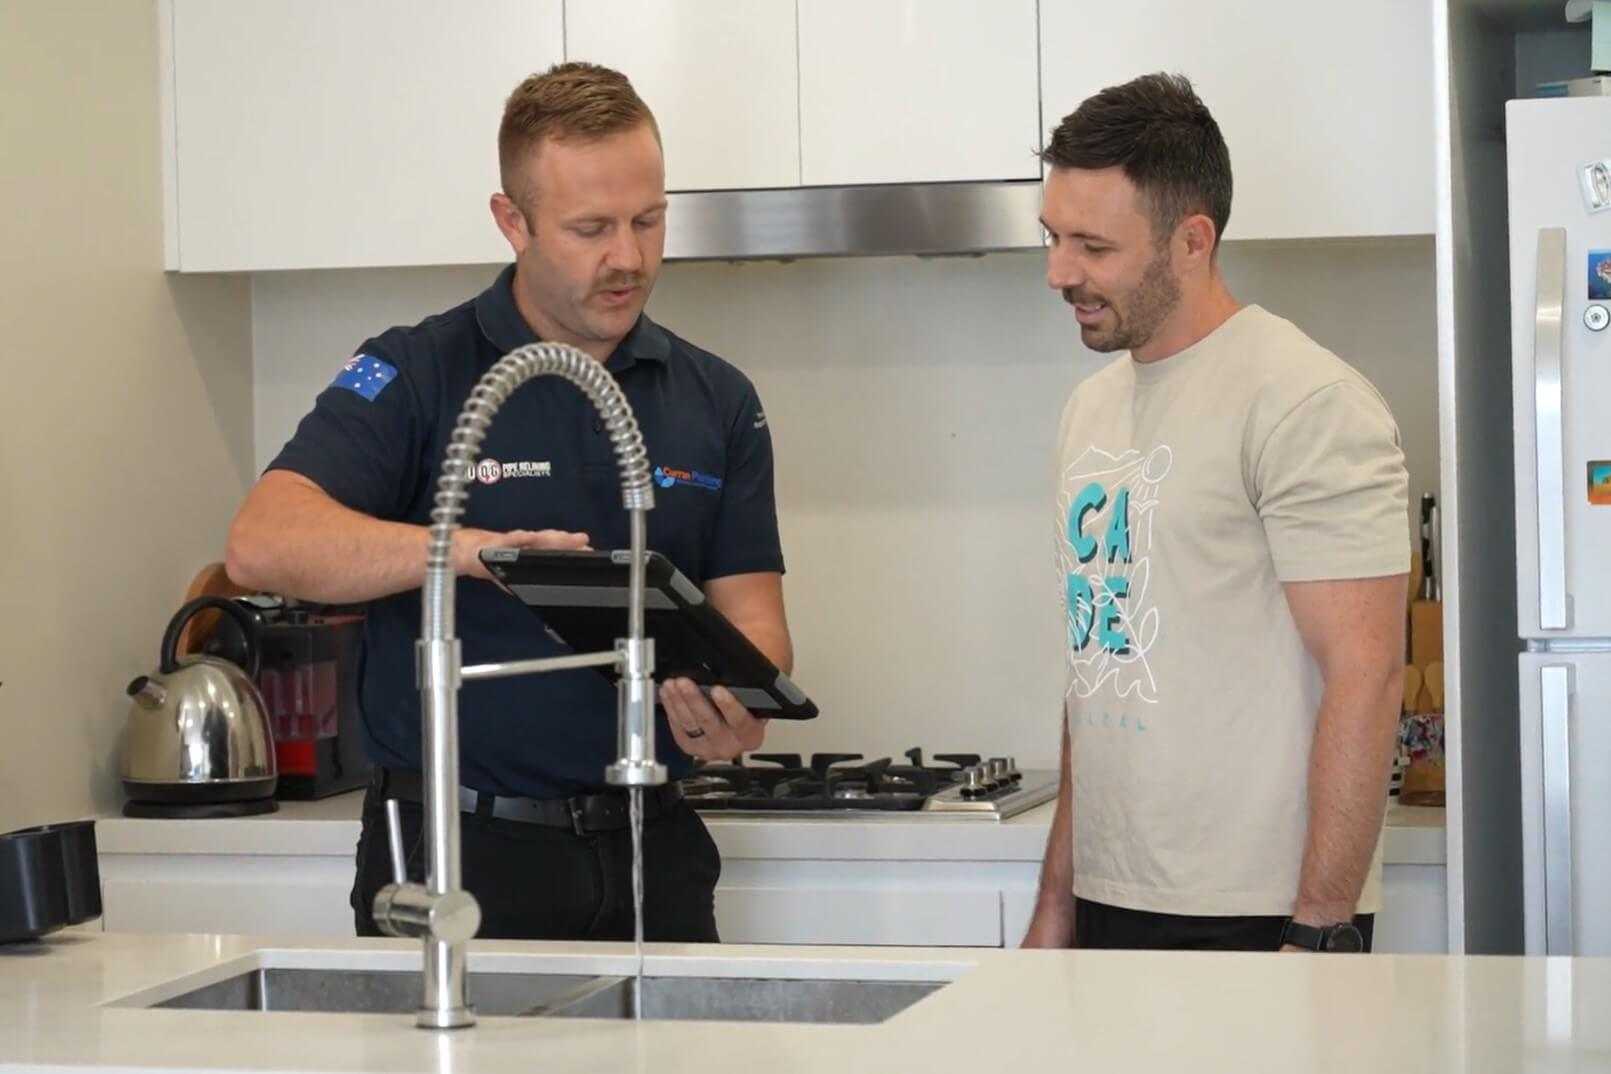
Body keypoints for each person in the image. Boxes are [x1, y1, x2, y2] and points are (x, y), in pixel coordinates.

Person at [225, 62, 793, 942]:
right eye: (590, 228)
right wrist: (470, 553)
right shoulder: (419, 372)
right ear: (511, 221)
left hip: (655, 850)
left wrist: (734, 716)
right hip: (460, 853)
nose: (630, 258)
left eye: (649, 220)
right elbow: (261, 543)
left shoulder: (715, 397)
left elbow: (755, 626)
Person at [1021, 73, 1408, 953]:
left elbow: (1368, 673)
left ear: (1191, 241)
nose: (1058, 272)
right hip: (1109, 897)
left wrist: (1319, 931)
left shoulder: (1304, 402)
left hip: (1255, 909)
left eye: (1091, 245)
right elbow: (1098, 667)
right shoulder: (1088, 410)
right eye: (1050, 237)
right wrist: (1055, 903)